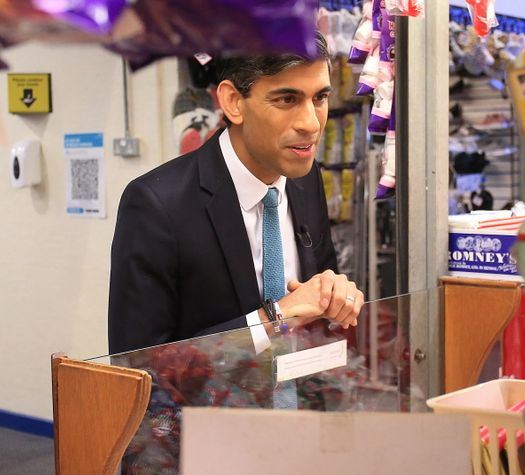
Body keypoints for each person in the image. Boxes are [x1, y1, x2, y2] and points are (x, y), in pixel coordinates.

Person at [109, 32, 364, 355]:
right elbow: (137, 367)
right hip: (206, 405)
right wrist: (274, 319)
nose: (311, 124)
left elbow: (316, 301)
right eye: (287, 100)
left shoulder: (306, 178)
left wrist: (335, 295)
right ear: (232, 102)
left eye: (320, 98)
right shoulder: (157, 206)